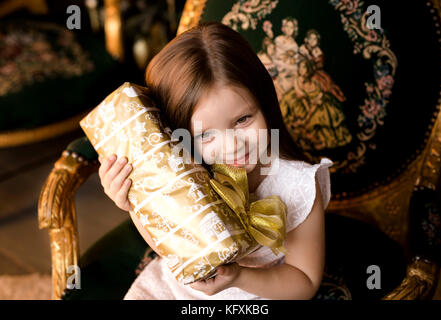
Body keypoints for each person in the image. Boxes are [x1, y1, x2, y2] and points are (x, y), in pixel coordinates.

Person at [97, 21, 333, 300]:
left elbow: (304, 281)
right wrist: (134, 204)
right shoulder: (182, 173)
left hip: (256, 293)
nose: (232, 146)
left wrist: (240, 276)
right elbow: (168, 247)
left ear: (265, 103)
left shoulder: (297, 186)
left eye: (243, 120)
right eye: (206, 135)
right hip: (176, 289)